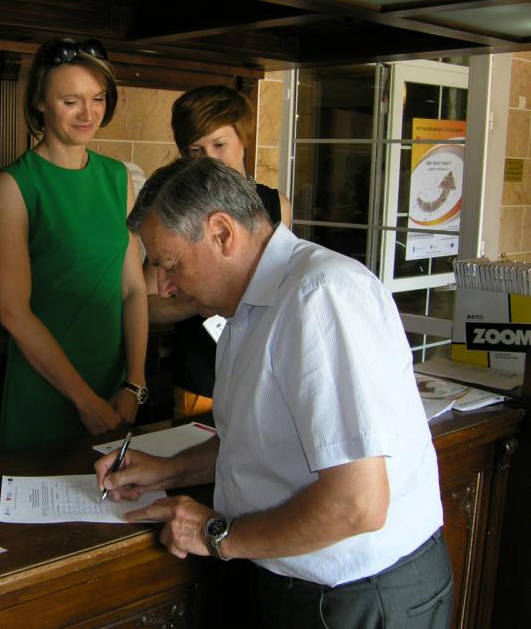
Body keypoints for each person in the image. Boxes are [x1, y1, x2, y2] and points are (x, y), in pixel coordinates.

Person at [97, 157, 452, 629]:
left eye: (170, 265)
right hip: (302, 581)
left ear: (222, 233)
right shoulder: (247, 308)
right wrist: (168, 468)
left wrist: (216, 534)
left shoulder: (320, 296)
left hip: (362, 594)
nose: (163, 287)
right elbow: (262, 441)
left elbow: (357, 503)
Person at [0, 38, 149, 454]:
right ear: (40, 102)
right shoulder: (15, 185)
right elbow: (13, 312)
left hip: (115, 386)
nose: (88, 113)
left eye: (98, 99)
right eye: (71, 101)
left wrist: (135, 383)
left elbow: (133, 289)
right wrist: (84, 401)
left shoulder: (118, 178)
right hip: (46, 386)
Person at [148, 85, 292, 417]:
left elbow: (283, 289)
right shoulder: (175, 209)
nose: (209, 160)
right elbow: (147, 306)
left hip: (262, 373)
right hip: (201, 376)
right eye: (196, 151)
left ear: (244, 138)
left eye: (219, 145)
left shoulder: (276, 205)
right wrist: (202, 299)